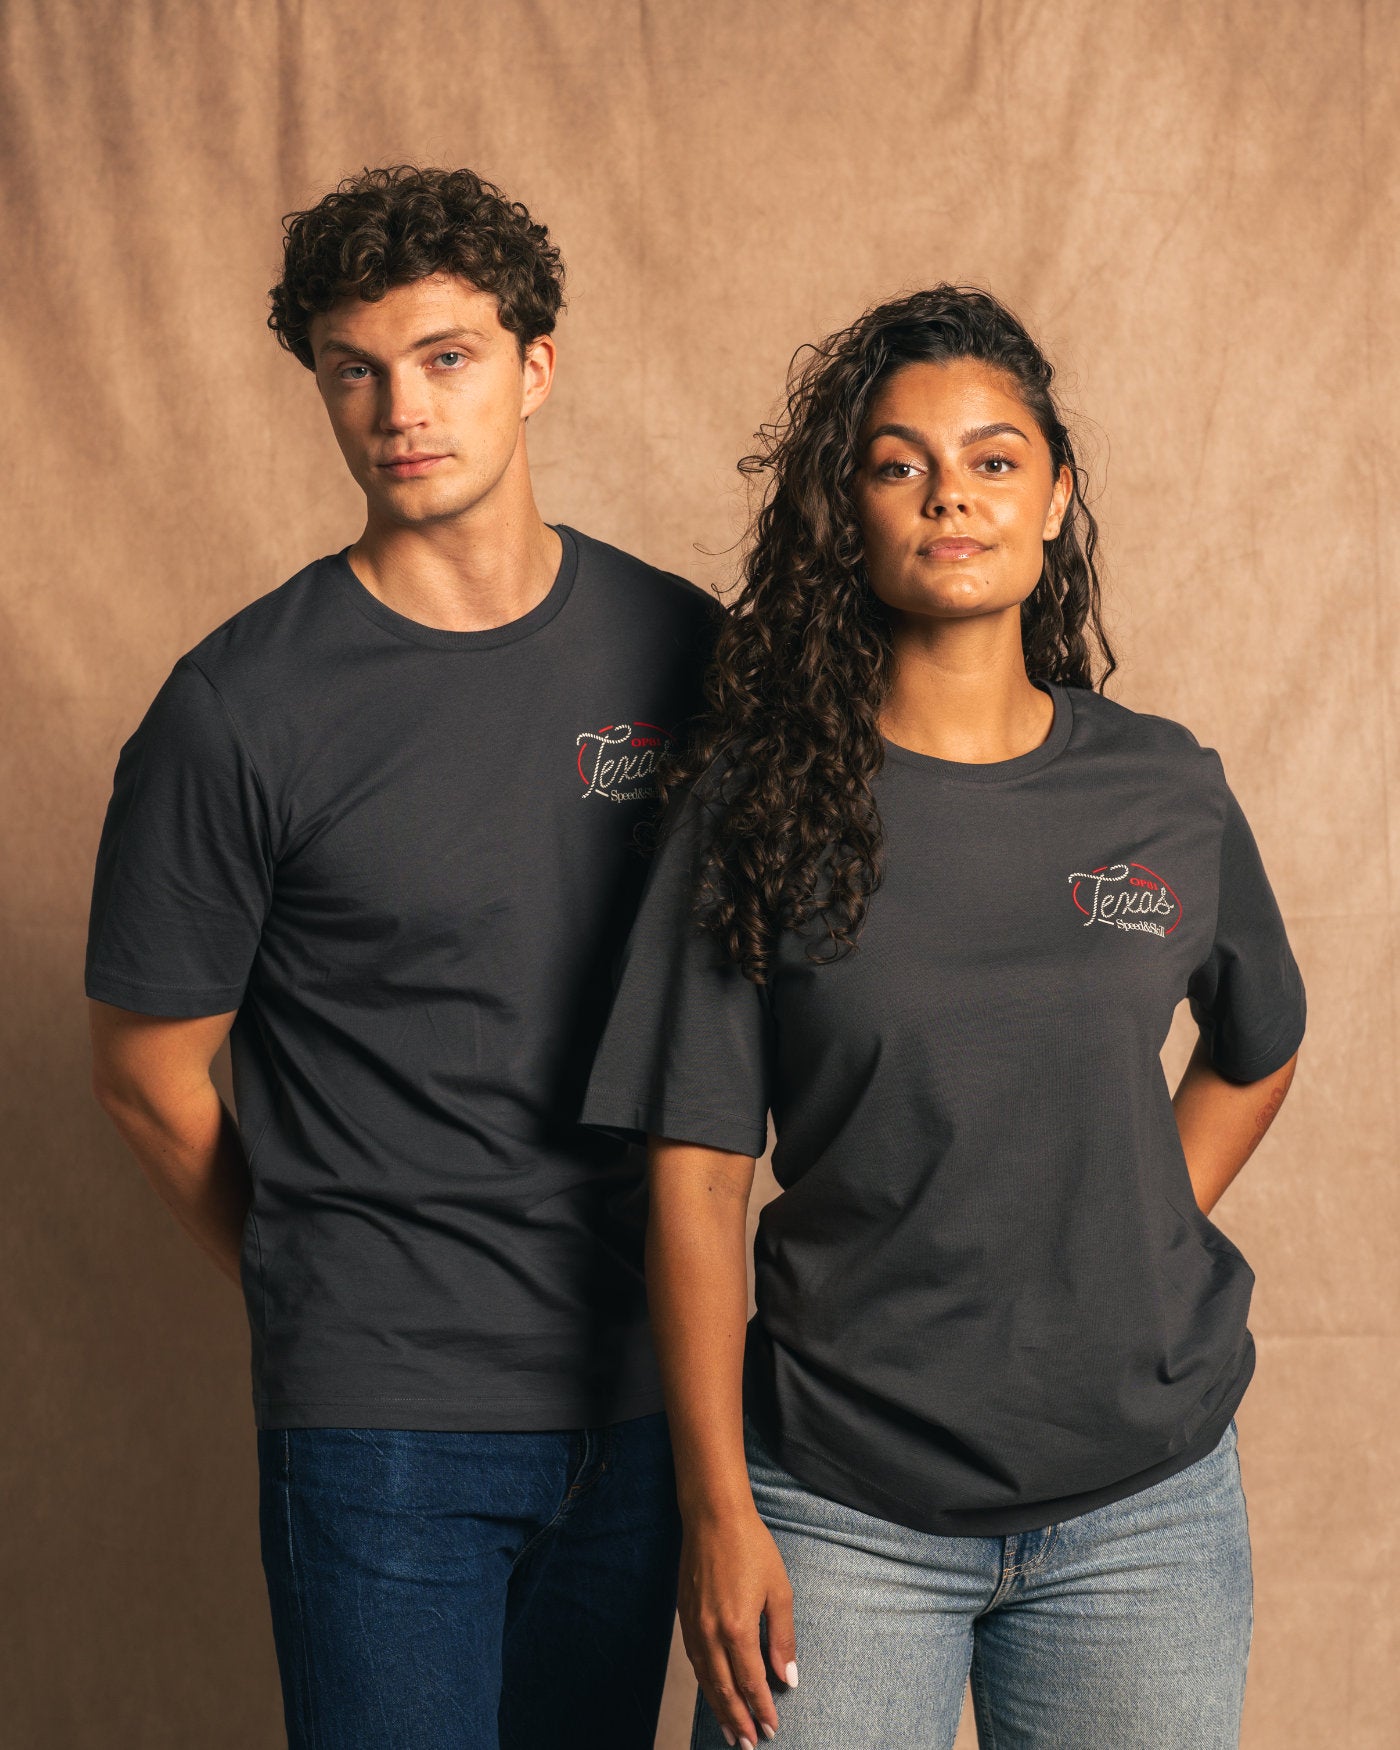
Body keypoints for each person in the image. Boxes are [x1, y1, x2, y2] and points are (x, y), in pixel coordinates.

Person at [581, 286, 1305, 1750]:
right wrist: (717, 1508)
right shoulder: (755, 807)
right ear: (848, 508)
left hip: (1144, 1508)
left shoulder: (1165, 789)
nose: (950, 495)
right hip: (843, 1505)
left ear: (1054, 497)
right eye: (900, 462)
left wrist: (1143, 1214)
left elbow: (1259, 1040)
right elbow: (698, 1178)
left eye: (992, 457)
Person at [85, 164, 716, 1750]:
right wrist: (325, 1285)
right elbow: (151, 1079)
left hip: (641, 1402)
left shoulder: (683, 649)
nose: (400, 408)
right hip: (385, 1428)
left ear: (534, 368)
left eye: (445, 357)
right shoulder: (237, 710)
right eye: (354, 370)